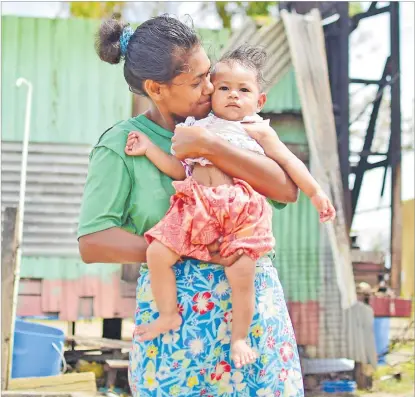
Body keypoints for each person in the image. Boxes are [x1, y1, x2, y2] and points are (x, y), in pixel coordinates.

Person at [79, 15, 305, 396]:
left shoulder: (232, 125)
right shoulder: (123, 144)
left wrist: (212, 147)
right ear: (156, 88)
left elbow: (286, 190)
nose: (211, 87)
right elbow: (93, 241)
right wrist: (187, 250)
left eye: (209, 74)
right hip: (178, 318)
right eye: (197, 80)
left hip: (250, 320)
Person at [124, 44, 335, 369]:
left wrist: (316, 193)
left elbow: (290, 163)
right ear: (211, 92)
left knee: (241, 274)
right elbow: (180, 170)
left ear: (259, 100)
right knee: (157, 254)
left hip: (239, 210)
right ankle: (168, 314)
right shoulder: (197, 126)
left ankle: (239, 337)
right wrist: (150, 148)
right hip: (193, 204)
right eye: (224, 88)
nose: (233, 95)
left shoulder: (258, 129)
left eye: (243, 89)